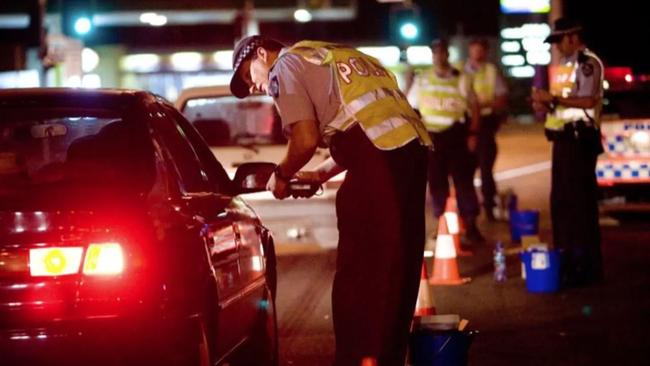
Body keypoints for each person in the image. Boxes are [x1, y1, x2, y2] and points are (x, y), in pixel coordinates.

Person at [229, 35, 432, 365]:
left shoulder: (285, 66)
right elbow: (363, 123)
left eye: (248, 76)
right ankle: (387, 356)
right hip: (409, 151)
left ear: (261, 54)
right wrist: (320, 174)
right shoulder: (336, 55)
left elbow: (306, 138)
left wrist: (281, 175)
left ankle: (359, 357)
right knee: (399, 265)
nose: (253, 86)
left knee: (361, 269)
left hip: (377, 160)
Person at [531, 17, 604, 287]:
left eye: (559, 40)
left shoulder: (587, 63)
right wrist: (543, 103)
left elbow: (588, 100)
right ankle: (568, 260)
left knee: (579, 206)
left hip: (580, 140)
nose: (557, 47)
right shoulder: (563, 66)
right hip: (563, 140)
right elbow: (560, 104)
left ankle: (585, 267)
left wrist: (554, 99)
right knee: (561, 204)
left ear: (572, 37)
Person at [407, 39, 485, 244]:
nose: (439, 56)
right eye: (435, 52)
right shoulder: (423, 79)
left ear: (447, 55)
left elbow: (474, 107)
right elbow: (411, 108)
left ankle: (471, 225)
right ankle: (441, 225)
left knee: (464, 182)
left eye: (442, 52)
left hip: (456, 136)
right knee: (436, 183)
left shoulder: (461, 79)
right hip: (433, 138)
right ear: (432, 55)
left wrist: (473, 134)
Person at [459, 38, 509, 221]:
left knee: (486, 168)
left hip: (486, 125)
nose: (477, 54)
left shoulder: (490, 72)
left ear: (486, 52)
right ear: (470, 51)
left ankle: (489, 207)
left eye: (481, 50)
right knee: (465, 170)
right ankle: (467, 211)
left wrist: (481, 105)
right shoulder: (459, 71)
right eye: (474, 50)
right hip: (464, 123)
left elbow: (502, 98)